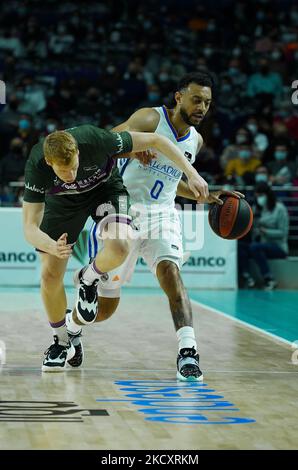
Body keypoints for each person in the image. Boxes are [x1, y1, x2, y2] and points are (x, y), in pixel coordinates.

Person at [66, 72, 243, 381]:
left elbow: (174, 183)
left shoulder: (195, 140)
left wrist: (209, 196)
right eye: (197, 99)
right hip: (122, 212)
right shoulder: (149, 118)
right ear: (179, 97)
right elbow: (101, 144)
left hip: (162, 215)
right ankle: (72, 327)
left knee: (172, 275)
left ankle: (188, 352)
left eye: (208, 103)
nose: (202, 107)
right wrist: (132, 147)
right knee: (105, 311)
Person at [22, 124, 208, 372]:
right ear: (49, 162)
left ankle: (88, 278)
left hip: (106, 191)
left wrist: (192, 174)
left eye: (75, 167)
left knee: (121, 245)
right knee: (49, 274)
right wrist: (51, 246)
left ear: (78, 151)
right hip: (64, 203)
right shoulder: (36, 166)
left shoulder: (96, 139)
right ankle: (61, 341)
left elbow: (156, 140)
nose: (72, 175)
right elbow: (29, 227)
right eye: (64, 171)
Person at [238, 182, 289, 290]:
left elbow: (283, 233)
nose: (259, 199)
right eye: (257, 196)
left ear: (267, 195)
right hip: (259, 245)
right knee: (241, 246)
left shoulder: (280, 209)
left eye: (261, 196)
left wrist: (265, 231)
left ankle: (269, 279)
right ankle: (247, 277)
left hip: (278, 246)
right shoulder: (256, 209)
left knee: (254, 247)